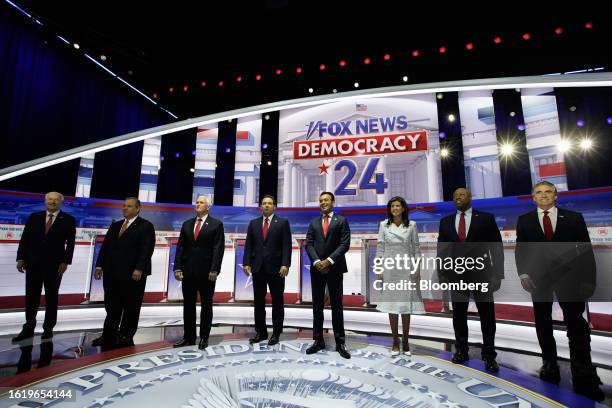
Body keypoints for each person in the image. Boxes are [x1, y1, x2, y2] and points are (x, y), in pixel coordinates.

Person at [515, 181, 603, 401]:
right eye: (539, 193)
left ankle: (583, 372)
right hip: (539, 282)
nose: (543, 196)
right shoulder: (524, 220)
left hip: (570, 281)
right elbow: (521, 250)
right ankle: (549, 365)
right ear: (532, 197)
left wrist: (589, 281)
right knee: (543, 324)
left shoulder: (574, 218)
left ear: (556, 196)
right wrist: (524, 274)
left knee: (576, 326)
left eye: (548, 192)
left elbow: (585, 251)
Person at [437, 187, 504, 373]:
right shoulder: (446, 222)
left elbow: (496, 248)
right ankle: (461, 350)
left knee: (487, 316)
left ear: (470, 197)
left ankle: (489, 355)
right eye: (455, 195)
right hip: (456, 276)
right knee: (459, 315)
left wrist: (497, 274)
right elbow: (442, 250)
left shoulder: (486, 218)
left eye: (462, 194)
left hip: (482, 274)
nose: (459, 197)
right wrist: (442, 273)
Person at [92, 197, 155, 348]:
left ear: (138, 208)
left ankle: (126, 335)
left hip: (133, 274)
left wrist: (139, 268)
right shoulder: (116, 225)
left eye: (129, 206)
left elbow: (146, 250)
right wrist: (99, 265)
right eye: (124, 206)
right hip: (112, 273)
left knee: (131, 306)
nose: (125, 208)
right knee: (112, 306)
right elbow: (105, 246)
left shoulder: (146, 226)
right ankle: (109, 334)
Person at [13, 192, 76, 342]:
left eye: (55, 200)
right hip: (33, 263)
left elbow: (71, 244)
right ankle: (28, 327)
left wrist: (66, 261)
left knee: (51, 297)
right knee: (31, 296)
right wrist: (20, 257)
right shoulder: (34, 217)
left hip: (55, 266)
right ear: (45, 201)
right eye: (49, 199)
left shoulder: (68, 220)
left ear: (61, 202)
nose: (52, 202)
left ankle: (48, 328)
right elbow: (25, 238)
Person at [173, 195, 225, 350]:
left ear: (208, 207)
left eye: (201, 202)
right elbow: (181, 247)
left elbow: (218, 249)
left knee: (206, 305)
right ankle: (188, 337)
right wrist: (177, 267)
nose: (198, 204)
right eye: (197, 202)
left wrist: (214, 269)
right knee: (188, 305)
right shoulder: (187, 224)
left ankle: (204, 337)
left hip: (207, 272)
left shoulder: (216, 224)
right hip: (188, 272)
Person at [375, 196, 425, 356]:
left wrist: (417, 267)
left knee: (405, 306)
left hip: (407, 268)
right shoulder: (384, 225)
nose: (395, 208)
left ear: (403, 208)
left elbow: (416, 247)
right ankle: (395, 340)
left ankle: (406, 340)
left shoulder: (412, 225)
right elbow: (380, 247)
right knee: (392, 306)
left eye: (398, 206)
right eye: (392, 206)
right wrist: (379, 268)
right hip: (390, 269)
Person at [305, 191, 351, 359]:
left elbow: (345, 244)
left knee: (337, 306)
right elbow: (308, 243)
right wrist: (317, 262)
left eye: (326, 200)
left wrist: (329, 261)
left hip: (335, 268)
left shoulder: (342, 221)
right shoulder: (314, 222)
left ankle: (340, 342)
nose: (323, 202)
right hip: (317, 270)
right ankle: (318, 340)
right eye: (321, 200)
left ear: (333, 202)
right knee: (317, 306)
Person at [243, 195, 292, 346]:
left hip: (277, 269)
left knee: (278, 302)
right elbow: (249, 245)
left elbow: (286, 245)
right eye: (264, 203)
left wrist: (285, 264)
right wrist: (246, 263)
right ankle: (261, 332)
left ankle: (276, 333)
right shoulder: (253, 223)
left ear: (275, 206)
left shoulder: (282, 223)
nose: (266, 206)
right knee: (258, 302)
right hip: (258, 268)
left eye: (269, 203)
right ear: (260, 206)